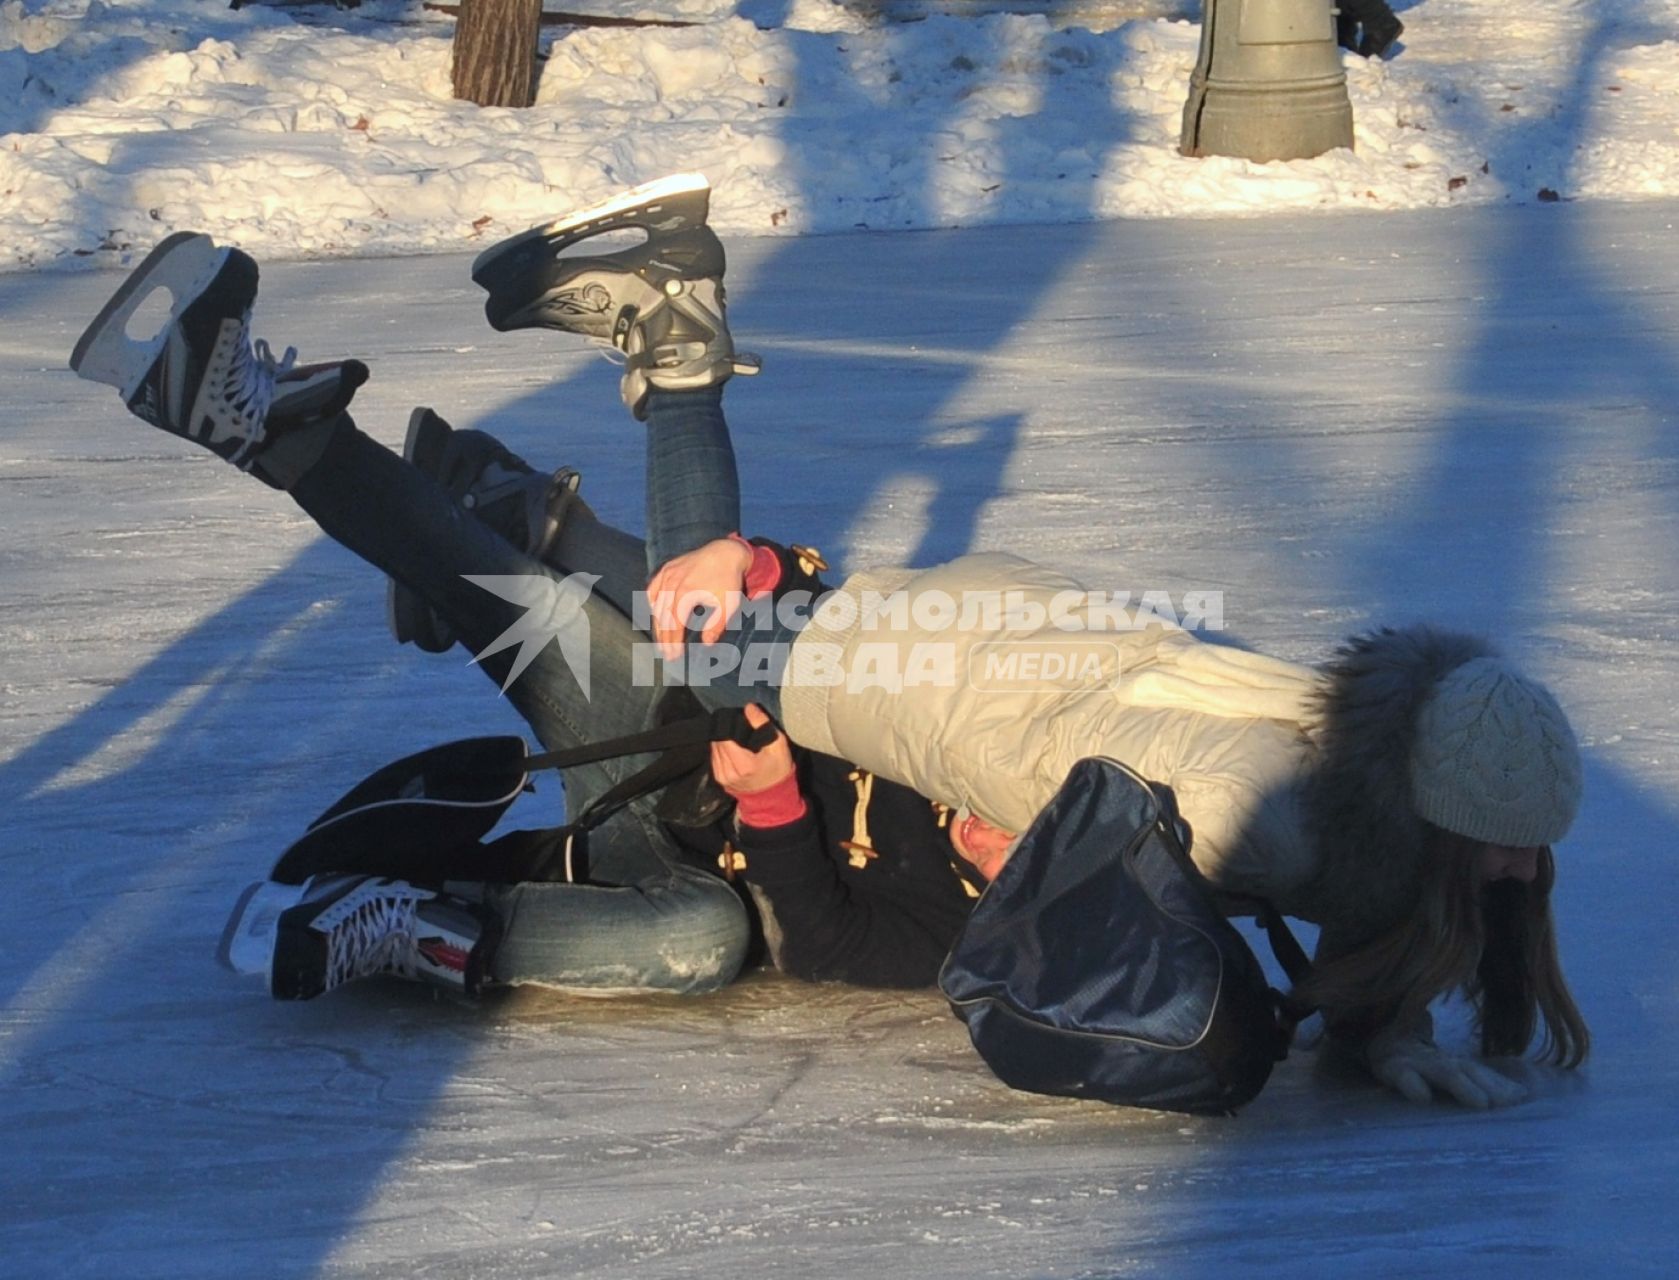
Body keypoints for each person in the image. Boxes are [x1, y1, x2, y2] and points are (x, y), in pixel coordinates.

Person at [69, 211, 996, 1007]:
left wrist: (777, 803)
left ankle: (410, 926)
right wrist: (759, 568)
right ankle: (248, 419)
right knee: (669, 627)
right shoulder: (1008, 735)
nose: (994, 833)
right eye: (1023, 818)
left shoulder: (964, 940)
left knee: (707, 942)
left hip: (677, 854)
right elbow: (863, 634)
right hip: (668, 724)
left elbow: (822, 948)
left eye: (1010, 866)